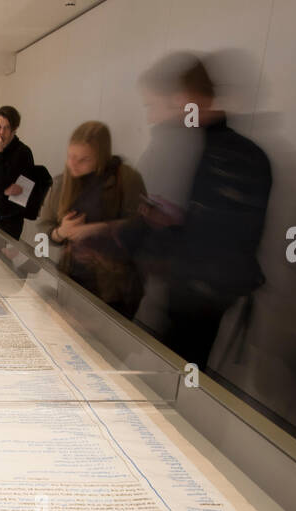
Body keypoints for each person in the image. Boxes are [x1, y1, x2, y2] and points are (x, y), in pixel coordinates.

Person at [120, 52, 272, 372]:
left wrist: (169, 228)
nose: (154, 118)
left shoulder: (228, 155)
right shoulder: (211, 147)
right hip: (188, 292)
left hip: (200, 295)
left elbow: (228, 236)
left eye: (155, 107)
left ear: (184, 98)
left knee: (182, 371)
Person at [35, 121, 146, 318]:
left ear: (101, 157)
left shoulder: (127, 180)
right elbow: (43, 229)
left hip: (113, 290)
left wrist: (100, 229)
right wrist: (61, 232)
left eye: (83, 159)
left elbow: (142, 229)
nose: (73, 165)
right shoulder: (62, 183)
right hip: (72, 281)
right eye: (71, 157)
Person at [0, 105, 35, 239]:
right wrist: (3, 192)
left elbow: (5, 184)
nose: (1, 132)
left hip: (9, 222)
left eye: (6, 127)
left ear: (14, 129)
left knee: (3, 260)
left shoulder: (23, 153)